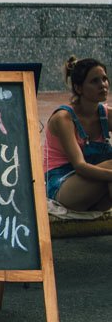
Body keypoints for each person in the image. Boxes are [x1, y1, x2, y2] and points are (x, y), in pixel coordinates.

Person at [44, 57, 112, 211]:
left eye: (104, 79)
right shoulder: (63, 118)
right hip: (63, 185)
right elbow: (80, 167)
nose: (103, 85)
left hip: (95, 185)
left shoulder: (106, 114)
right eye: (94, 81)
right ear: (79, 88)